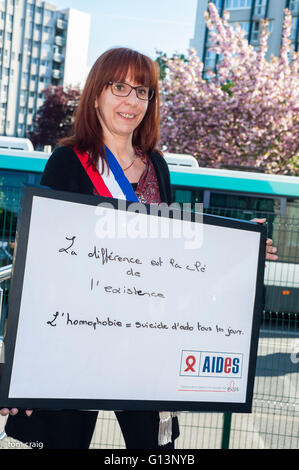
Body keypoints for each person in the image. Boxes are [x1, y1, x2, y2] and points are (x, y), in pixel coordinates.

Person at [0, 47, 277, 450]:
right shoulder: (66, 162)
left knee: (154, 450)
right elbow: (40, 265)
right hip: (78, 343)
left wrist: (237, 245)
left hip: (145, 344)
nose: (132, 101)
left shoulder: (157, 165)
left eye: (143, 91)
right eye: (120, 87)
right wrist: (16, 364)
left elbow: (170, 255)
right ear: (96, 94)